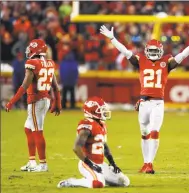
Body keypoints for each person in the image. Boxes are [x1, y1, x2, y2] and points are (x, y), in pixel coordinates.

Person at [100, 25, 189, 174]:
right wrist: (113, 39)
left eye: (155, 51)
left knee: (154, 131)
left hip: (158, 102)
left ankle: (150, 164)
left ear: (160, 52)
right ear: (146, 51)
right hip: (144, 102)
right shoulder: (141, 61)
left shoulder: (167, 62)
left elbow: (183, 54)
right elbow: (125, 51)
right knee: (144, 133)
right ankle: (145, 163)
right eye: (150, 51)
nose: (152, 53)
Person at [5, 39, 62, 172]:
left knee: (37, 130)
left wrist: (11, 102)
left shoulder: (32, 63)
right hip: (43, 100)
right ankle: (32, 161)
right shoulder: (50, 63)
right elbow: (55, 87)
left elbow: (25, 85)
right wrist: (57, 102)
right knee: (28, 128)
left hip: (37, 101)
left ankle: (43, 164)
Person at [57, 97, 130, 188]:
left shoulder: (101, 124)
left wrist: (112, 163)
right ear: (92, 111)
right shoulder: (87, 125)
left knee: (124, 181)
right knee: (98, 184)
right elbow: (76, 148)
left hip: (100, 164)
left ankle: (99, 177)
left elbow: (104, 145)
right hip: (87, 163)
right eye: (101, 110)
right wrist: (90, 164)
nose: (104, 112)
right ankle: (71, 182)